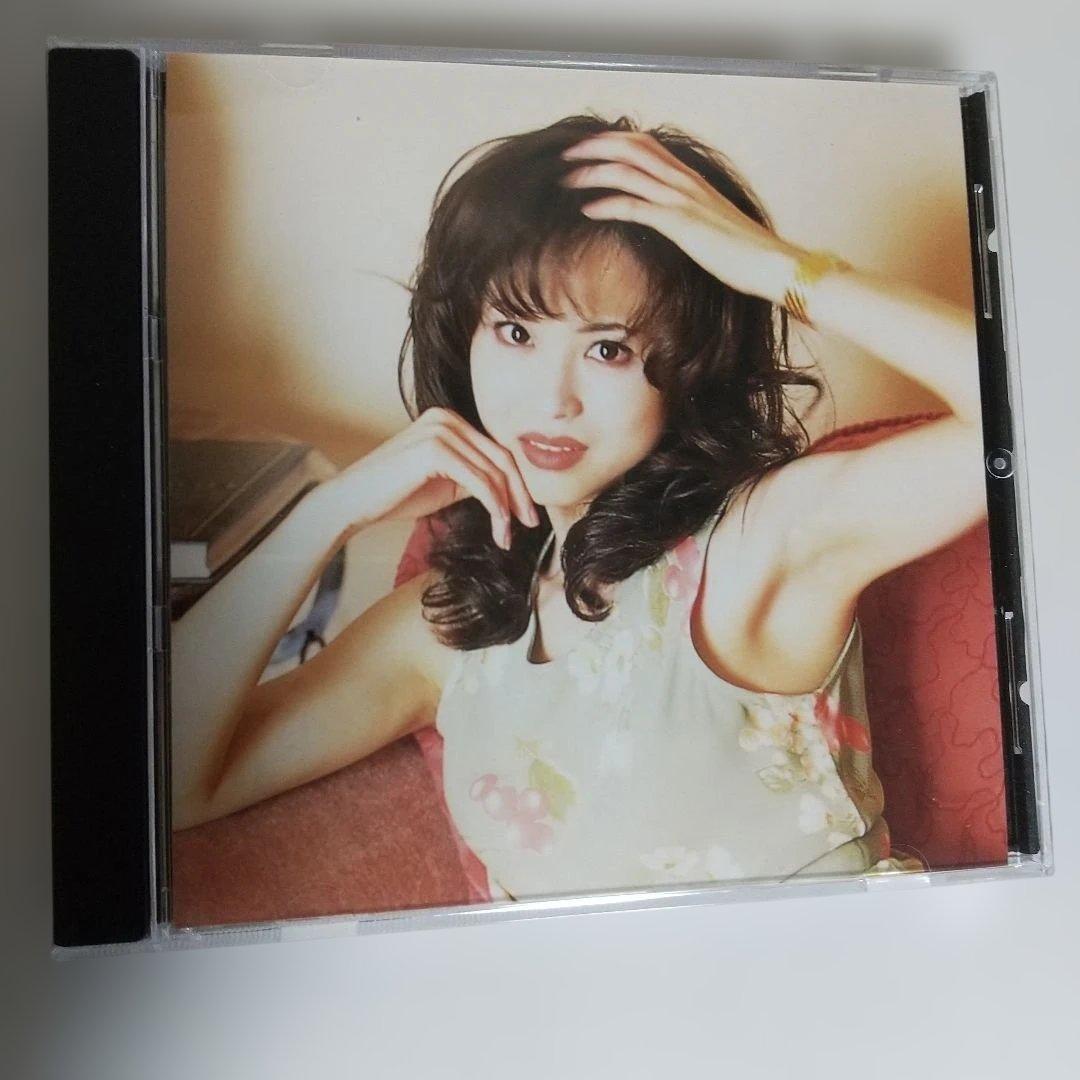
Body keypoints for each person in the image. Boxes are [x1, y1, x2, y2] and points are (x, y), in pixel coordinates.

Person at [171, 115, 986, 899]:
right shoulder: (455, 629)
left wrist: (774, 267)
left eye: (608, 348)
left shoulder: (751, 551)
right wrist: (326, 513)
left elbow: (1027, 424)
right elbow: (169, 786)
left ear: (690, 369)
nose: (551, 399)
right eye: (516, 333)